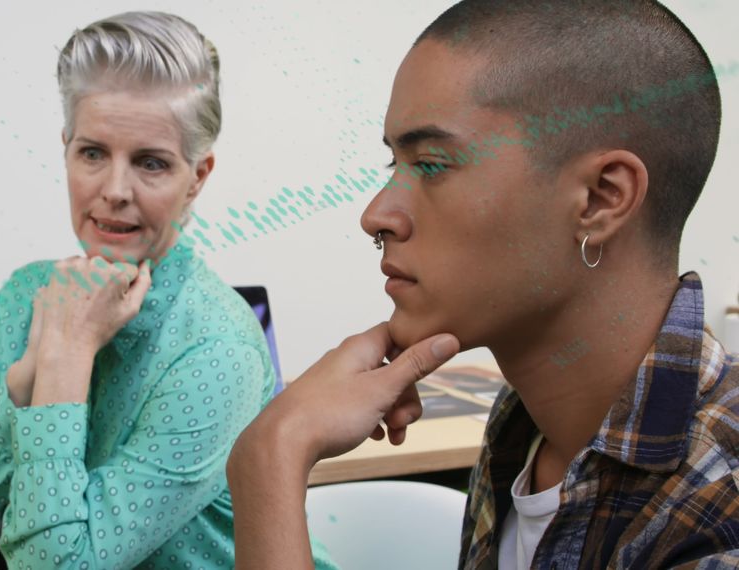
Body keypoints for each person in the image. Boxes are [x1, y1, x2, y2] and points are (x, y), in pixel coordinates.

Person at [227, 1, 739, 568]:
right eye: (392, 166)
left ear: (601, 198)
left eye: (432, 165)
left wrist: (271, 457)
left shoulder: (723, 499)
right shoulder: (522, 426)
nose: (377, 216)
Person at [0, 11, 335, 569]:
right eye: (92, 154)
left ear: (197, 177)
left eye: (151, 163)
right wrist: (25, 374)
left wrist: (65, 357)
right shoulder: (27, 295)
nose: (113, 191)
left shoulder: (217, 351)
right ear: (66, 150)